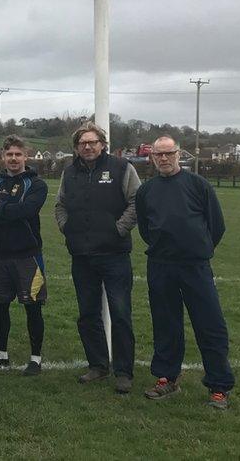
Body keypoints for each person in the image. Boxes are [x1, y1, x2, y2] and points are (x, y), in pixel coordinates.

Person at [136, 135, 233, 409]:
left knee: (210, 324)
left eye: (169, 153)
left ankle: (219, 386)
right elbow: (145, 229)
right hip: (160, 265)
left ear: (179, 154)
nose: (164, 159)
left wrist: (198, 248)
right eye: (158, 154)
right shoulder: (146, 191)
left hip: (195, 266)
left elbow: (216, 226)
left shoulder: (198, 185)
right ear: (152, 157)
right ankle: (167, 378)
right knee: (166, 324)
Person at [55, 122, 139, 394]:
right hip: (82, 255)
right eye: (82, 143)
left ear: (102, 144)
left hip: (114, 255)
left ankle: (124, 371)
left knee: (121, 313)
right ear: (77, 147)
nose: (88, 147)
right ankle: (98, 365)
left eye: (92, 142)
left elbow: (136, 201)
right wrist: (67, 228)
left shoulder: (121, 168)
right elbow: (60, 205)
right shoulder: (70, 173)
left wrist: (118, 229)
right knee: (88, 313)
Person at [0, 136, 48, 376]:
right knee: (0, 306)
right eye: (10, 154)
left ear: (25, 156)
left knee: (33, 308)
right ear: (3, 157)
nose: (14, 159)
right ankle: (1, 355)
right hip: (1, 255)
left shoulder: (36, 184)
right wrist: (7, 211)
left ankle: (35, 358)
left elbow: (27, 210)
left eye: (18, 154)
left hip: (28, 255)